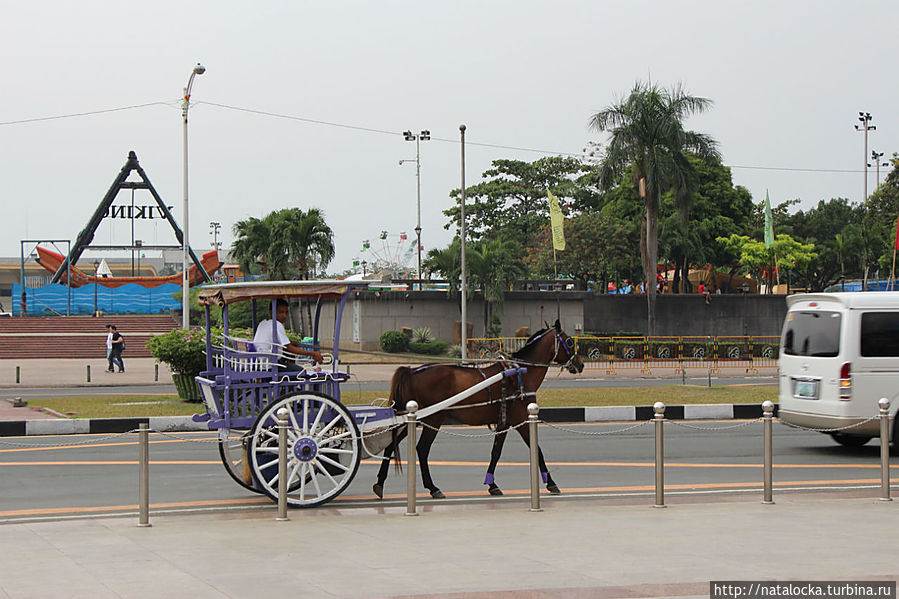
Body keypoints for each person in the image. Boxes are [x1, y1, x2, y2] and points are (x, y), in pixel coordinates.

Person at [253, 299, 323, 372]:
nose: (284, 315)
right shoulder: (277, 324)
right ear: (271, 312)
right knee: (302, 372)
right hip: (271, 365)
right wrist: (313, 354)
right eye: (281, 312)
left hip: (261, 362)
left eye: (286, 312)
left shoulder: (263, 323)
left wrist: (290, 343)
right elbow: (289, 348)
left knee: (291, 362)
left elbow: (284, 344)